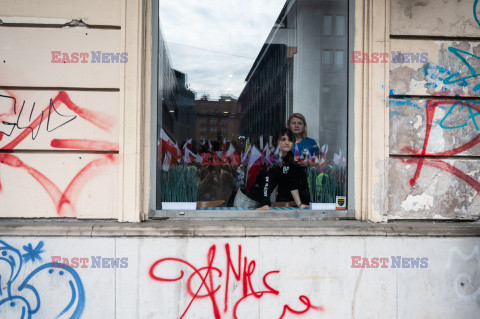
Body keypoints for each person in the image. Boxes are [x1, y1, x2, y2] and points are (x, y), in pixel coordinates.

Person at [233, 128, 310, 210]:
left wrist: (300, 204)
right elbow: (266, 181)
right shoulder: (270, 156)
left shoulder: (289, 158)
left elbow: (292, 184)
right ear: (276, 141)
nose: (287, 143)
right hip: (246, 199)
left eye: (290, 140)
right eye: (283, 139)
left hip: (261, 202)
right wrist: (266, 203)